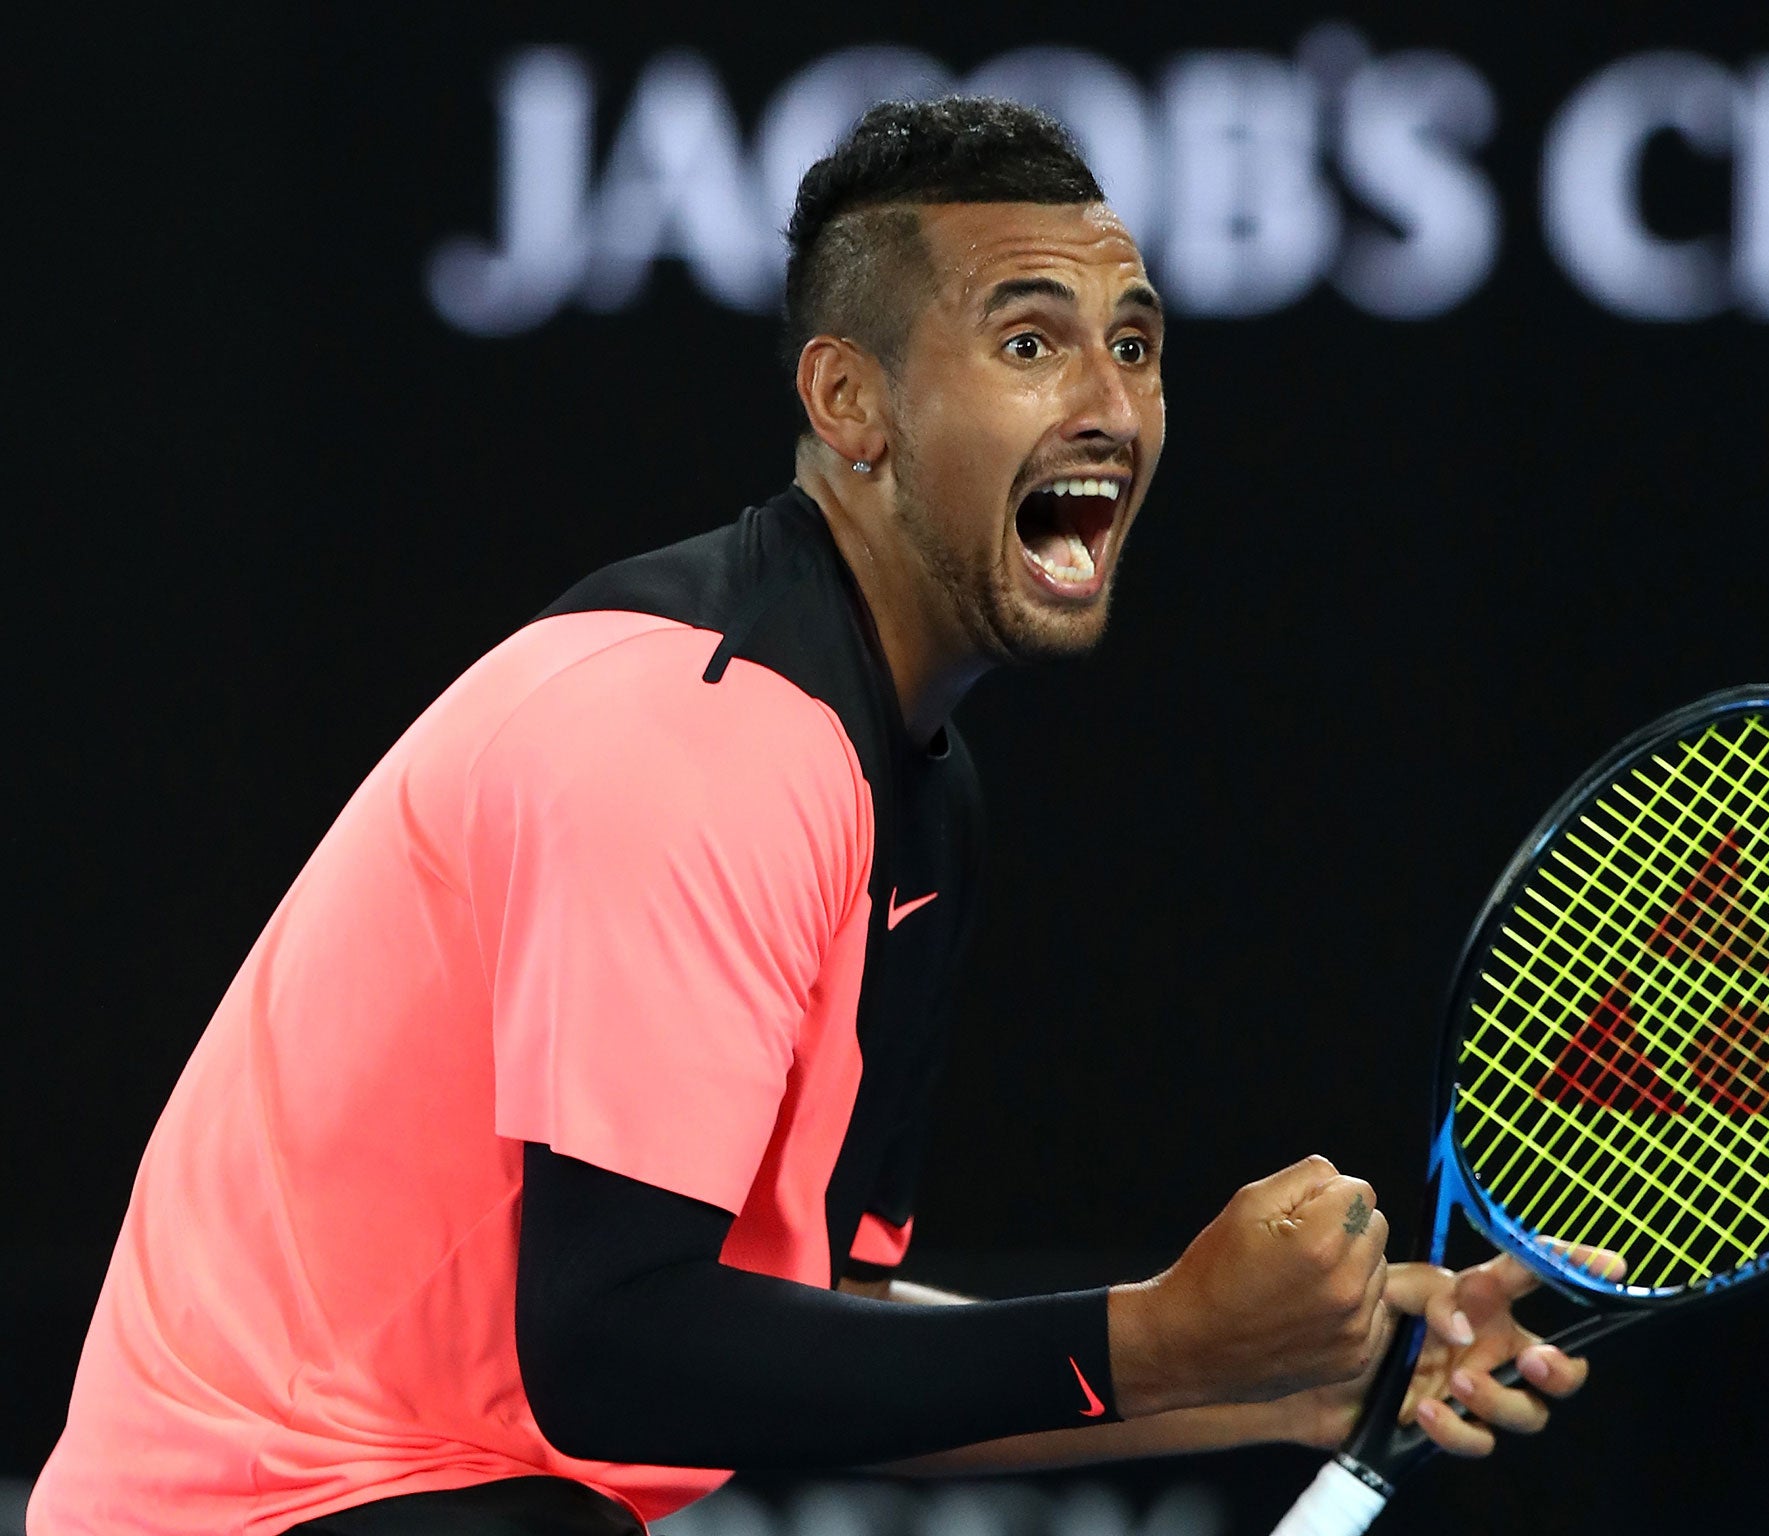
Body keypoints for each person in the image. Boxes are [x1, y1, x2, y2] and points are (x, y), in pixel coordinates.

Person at [30, 99, 1599, 1536]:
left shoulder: (914, 789)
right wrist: (1156, 1335)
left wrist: (1260, 1386)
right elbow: (612, 1351)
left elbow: (796, 1357)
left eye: (1138, 344)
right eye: (1034, 345)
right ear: (850, 400)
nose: (1114, 404)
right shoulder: (699, 736)